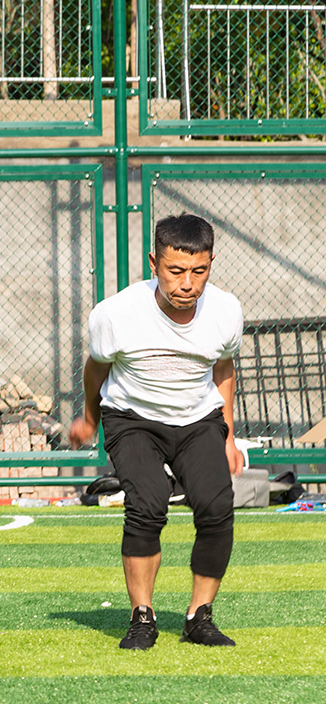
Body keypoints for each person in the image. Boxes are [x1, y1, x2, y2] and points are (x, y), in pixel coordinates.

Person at [68, 213, 244, 649]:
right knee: (147, 504)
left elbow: (223, 368)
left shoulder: (226, 311)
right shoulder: (116, 314)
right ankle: (142, 617)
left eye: (198, 271)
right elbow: (96, 369)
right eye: (175, 270)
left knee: (217, 507)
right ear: (154, 263)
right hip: (133, 419)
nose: (187, 283)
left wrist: (228, 437)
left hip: (198, 419)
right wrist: (90, 418)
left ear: (211, 263)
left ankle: (199, 617)